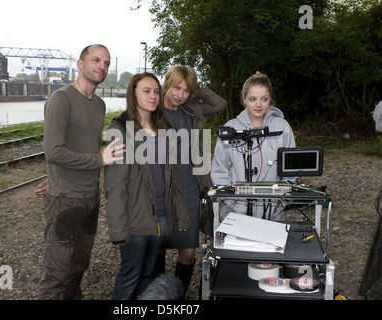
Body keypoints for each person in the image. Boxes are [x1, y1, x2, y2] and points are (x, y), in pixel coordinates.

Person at [37, 44, 124, 300]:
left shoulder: (99, 105)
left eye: (106, 63)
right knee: (55, 274)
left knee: (77, 268)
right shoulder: (61, 99)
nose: (102, 66)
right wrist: (99, 159)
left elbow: (79, 147)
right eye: (96, 60)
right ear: (80, 64)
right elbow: (53, 152)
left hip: (90, 198)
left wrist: (55, 173)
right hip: (65, 199)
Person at [104, 72, 190, 300]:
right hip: (135, 217)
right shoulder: (121, 130)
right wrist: (118, 227)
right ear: (133, 93)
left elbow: (174, 179)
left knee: (147, 274)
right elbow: (115, 185)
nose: (153, 96)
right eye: (146, 91)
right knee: (130, 274)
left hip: (161, 217)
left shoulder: (165, 129)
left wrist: (181, 214)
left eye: (156, 92)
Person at [152, 65, 227, 297]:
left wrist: (195, 90)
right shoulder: (152, 110)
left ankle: (179, 295)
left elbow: (220, 104)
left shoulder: (192, 108)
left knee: (188, 252)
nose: (180, 95)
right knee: (159, 248)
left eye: (185, 91)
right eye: (176, 88)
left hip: (191, 188)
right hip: (161, 190)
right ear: (166, 84)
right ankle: (159, 294)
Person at [210, 71, 296, 220]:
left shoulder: (282, 128)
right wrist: (232, 202)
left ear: (270, 99)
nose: (258, 104)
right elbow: (219, 170)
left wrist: (278, 204)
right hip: (235, 213)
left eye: (264, 99)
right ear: (244, 99)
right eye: (252, 99)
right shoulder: (230, 128)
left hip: (270, 213)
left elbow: (291, 170)